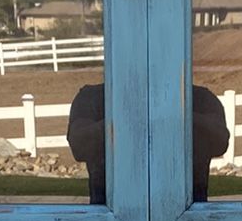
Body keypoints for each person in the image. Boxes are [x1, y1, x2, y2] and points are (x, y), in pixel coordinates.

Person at [67, 83, 230, 204]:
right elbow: (78, 145)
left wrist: (177, 114)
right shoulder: (92, 99)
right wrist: (126, 119)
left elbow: (220, 142)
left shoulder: (200, 99)